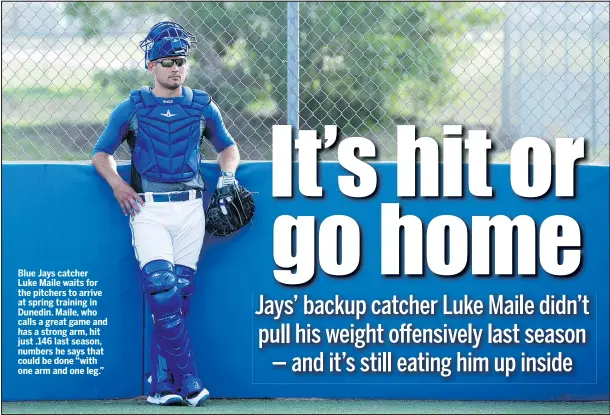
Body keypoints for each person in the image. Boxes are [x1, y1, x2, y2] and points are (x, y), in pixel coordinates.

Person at [91, 21, 240, 406]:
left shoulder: (202, 105)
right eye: (168, 61)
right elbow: (101, 153)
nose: (177, 68)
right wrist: (117, 184)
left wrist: (227, 177)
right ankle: (189, 381)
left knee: (180, 298)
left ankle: (160, 385)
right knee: (162, 291)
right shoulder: (133, 106)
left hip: (191, 209)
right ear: (151, 66)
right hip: (149, 210)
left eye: (182, 61)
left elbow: (228, 147)